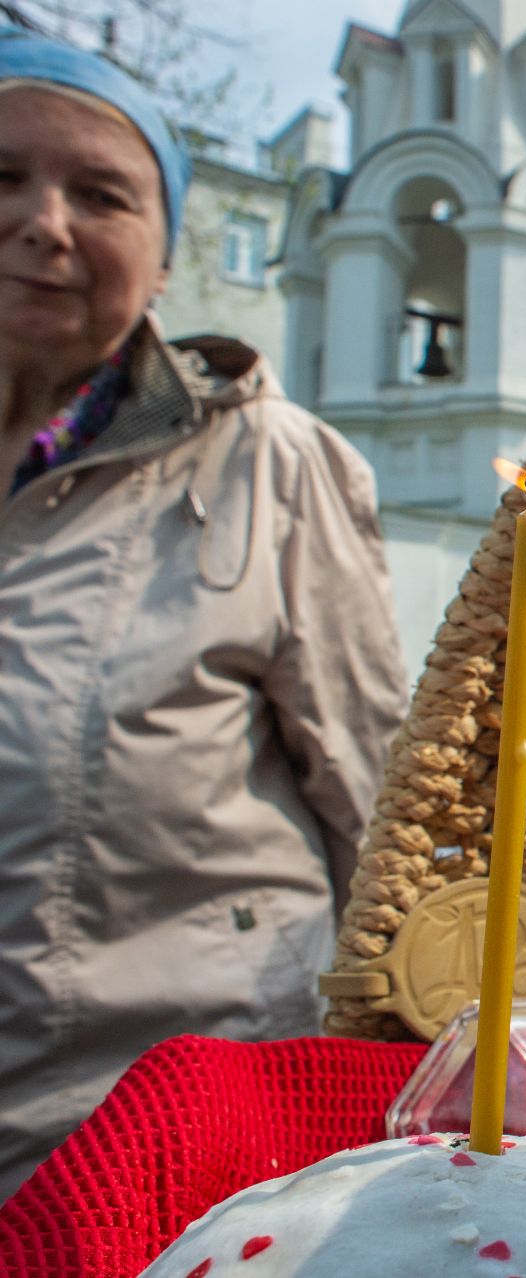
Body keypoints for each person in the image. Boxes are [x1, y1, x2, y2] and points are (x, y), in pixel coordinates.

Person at [0, 34, 408, 1198]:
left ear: (166, 255)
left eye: (101, 194)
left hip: (184, 1164)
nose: (45, 222)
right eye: (3, 177)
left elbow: (395, 794)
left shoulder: (262, 469)